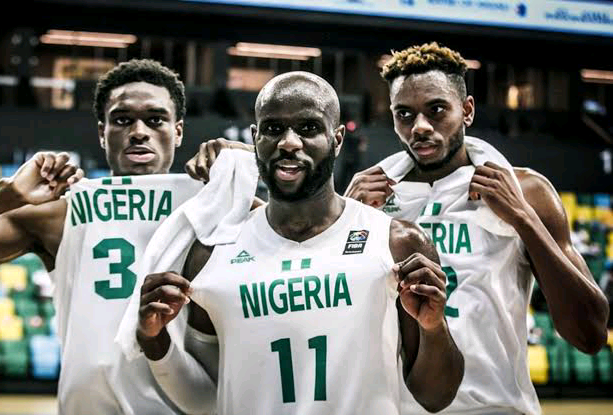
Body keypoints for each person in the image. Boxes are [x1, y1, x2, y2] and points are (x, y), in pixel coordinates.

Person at [0, 59, 244, 414]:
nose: (139, 131)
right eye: (122, 119)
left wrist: (249, 163)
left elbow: (284, 237)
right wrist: (6, 194)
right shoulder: (63, 212)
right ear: (102, 132)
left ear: (178, 131)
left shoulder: (210, 207)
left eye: (155, 119)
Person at [136, 72, 464, 414]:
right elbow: (202, 401)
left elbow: (435, 397)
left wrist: (433, 327)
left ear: (337, 139)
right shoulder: (213, 252)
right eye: (273, 128)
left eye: (308, 128)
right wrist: (153, 339)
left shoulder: (398, 242)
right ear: (255, 138)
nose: (289, 142)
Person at [344, 42, 609, 415]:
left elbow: (590, 334)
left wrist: (524, 218)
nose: (420, 127)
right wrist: (346, 221)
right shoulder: (368, 200)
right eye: (404, 114)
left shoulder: (526, 191)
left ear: (467, 110)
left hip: (497, 407)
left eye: (437, 110)